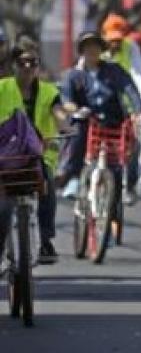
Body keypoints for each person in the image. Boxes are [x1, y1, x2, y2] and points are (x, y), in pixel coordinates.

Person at [0, 39, 74, 262]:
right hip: (6, 160)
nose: (28, 68)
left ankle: (46, 241)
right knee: (4, 207)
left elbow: (59, 114)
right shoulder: (2, 88)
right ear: (13, 65)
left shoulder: (49, 91)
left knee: (47, 186)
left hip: (37, 158)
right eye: (23, 62)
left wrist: (66, 129)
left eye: (33, 62)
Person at [56, 30, 141, 200]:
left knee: (133, 141)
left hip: (114, 122)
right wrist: (74, 109)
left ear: (101, 49)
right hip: (87, 123)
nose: (92, 50)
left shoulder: (114, 70)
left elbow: (130, 90)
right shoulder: (73, 75)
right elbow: (66, 99)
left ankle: (129, 187)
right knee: (76, 130)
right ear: (82, 50)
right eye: (87, 46)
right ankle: (72, 176)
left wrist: (139, 112)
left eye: (96, 46)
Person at [100, 13, 141, 204]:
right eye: (111, 40)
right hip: (101, 101)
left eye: (118, 39)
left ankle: (128, 186)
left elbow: (138, 76)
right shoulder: (96, 48)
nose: (115, 44)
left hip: (126, 101)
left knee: (132, 145)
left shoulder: (131, 49)